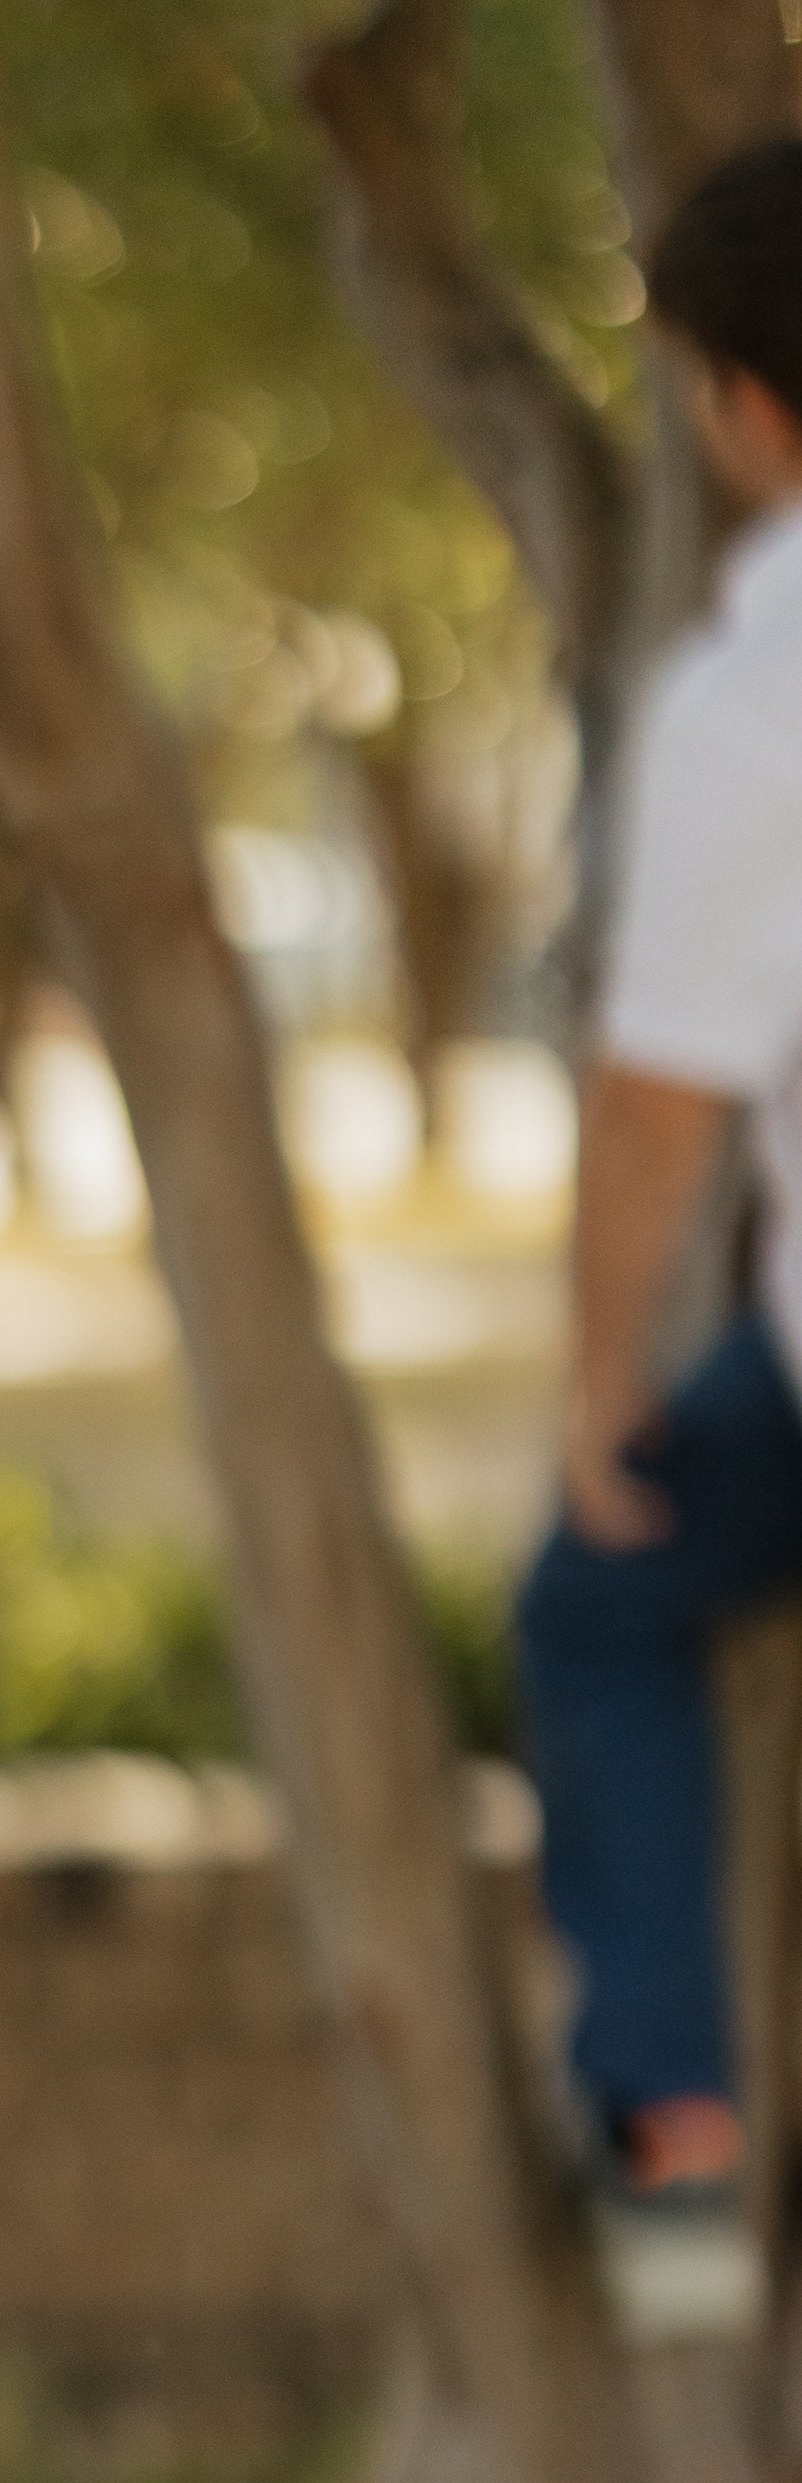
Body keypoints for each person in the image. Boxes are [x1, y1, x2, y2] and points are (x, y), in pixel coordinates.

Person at [519, 133, 802, 2232]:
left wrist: (601, 1378)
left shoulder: (758, 691)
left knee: (601, 1593)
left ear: (740, 400)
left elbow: (656, 1109)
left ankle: (674, 2116)